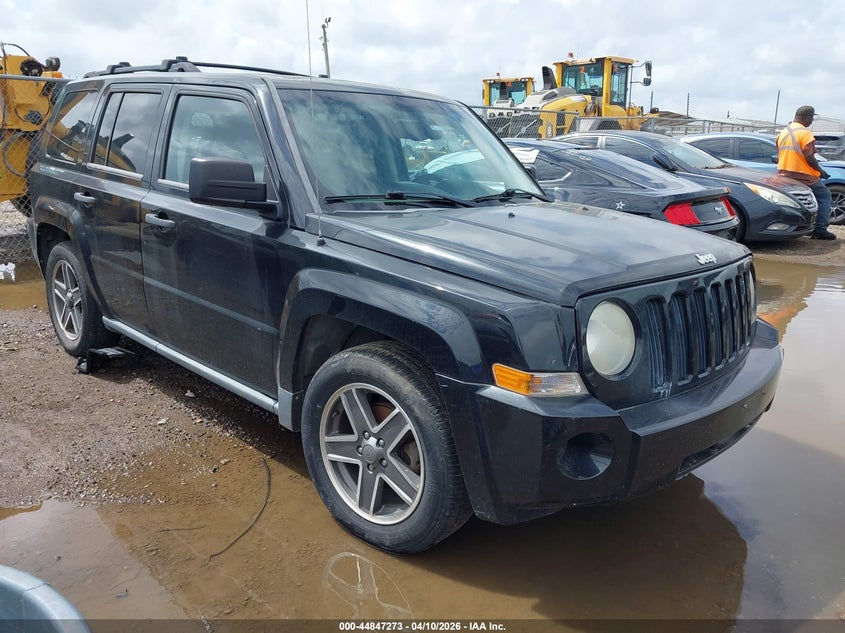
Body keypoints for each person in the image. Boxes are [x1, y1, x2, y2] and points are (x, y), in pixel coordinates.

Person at [776, 105, 836, 240]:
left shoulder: (784, 132)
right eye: (811, 117)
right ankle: (820, 229)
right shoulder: (804, 133)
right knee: (824, 195)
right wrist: (821, 172)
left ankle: (798, 226)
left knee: (795, 200)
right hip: (803, 175)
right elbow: (809, 157)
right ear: (804, 117)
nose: (811, 121)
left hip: (784, 173)